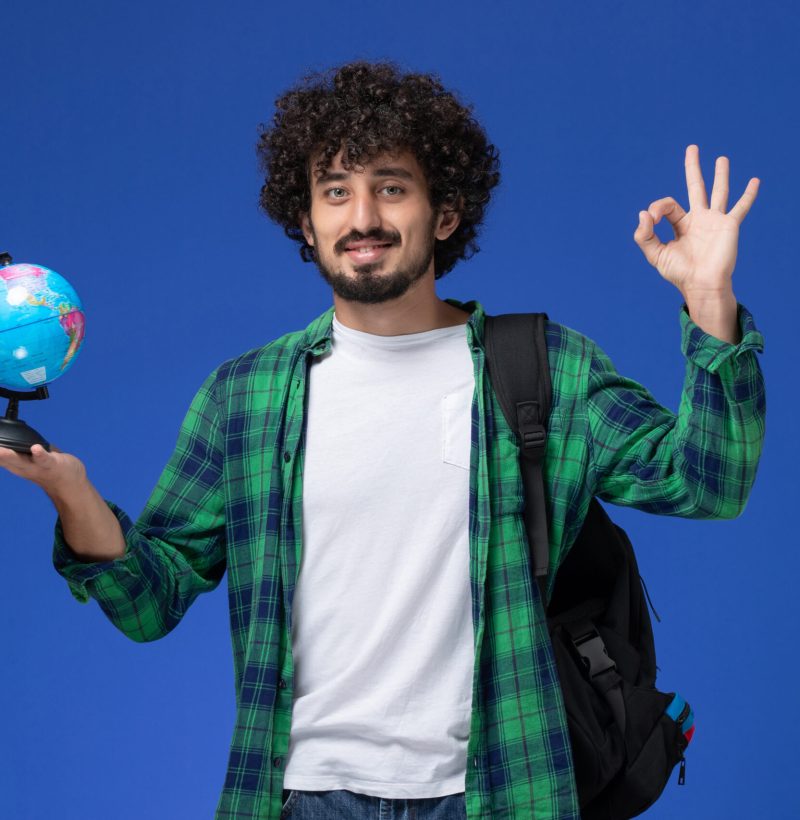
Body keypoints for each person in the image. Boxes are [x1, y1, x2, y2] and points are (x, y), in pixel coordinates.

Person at [0, 60, 766, 820]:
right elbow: (150, 602)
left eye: (390, 187)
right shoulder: (246, 396)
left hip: (499, 793)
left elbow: (707, 482)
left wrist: (710, 303)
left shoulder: (545, 368)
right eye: (335, 191)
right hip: (304, 797)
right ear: (306, 220)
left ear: (445, 213)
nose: (361, 216)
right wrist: (71, 491)